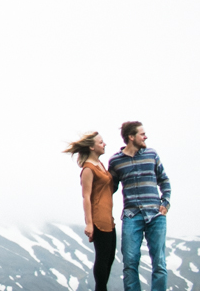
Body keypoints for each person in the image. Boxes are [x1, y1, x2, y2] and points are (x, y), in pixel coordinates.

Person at [108, 121, 171, 291]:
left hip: (156, 215)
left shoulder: (152, 154)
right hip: (131, 216)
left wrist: (165, 202)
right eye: (142, 134)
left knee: (159, 262)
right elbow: (109, 188)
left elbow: (164, 180)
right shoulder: (115, 161)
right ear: (131, 137)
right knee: (129, 262)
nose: (146, 137)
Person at [63, 132, 116, 291]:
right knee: (102, 258)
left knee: (110, 258)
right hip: (99, 218)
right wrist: (89, 224)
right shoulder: (88, 168)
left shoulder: (100, 165)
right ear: (92, 147)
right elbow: (86, 197)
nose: (104, 144)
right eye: (101, 142)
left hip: (109, 219)